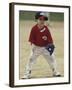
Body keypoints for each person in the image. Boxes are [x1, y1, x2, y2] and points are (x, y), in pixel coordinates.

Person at [22, 12, 61, 79]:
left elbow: (50, 39)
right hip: (36, 47)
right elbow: (31, 39)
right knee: (31, 60)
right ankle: (27, 74)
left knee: (52, 59)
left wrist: (51, 45)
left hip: (45, 47)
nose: (42, 21)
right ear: (36, 20)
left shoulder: (46, 29)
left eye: (44, 19)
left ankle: (55, 72)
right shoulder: (34, 29)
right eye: (40, 19)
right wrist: (33, 47)